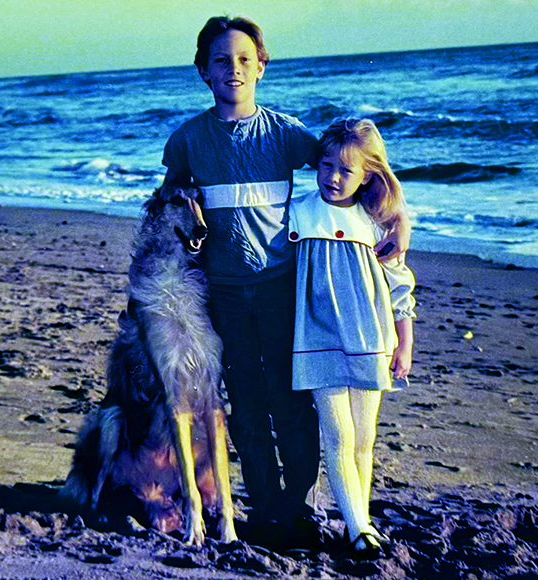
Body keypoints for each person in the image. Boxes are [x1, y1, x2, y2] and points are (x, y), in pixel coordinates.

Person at [162, 16, 411, 543]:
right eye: (221, 61)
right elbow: (168, 210)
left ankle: (298, 505)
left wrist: (398, 221)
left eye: (244, 61)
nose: (234, 70)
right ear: (204, 71)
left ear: (261, 67)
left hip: (282, 290)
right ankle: (268, 509)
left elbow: (350, 168)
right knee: (247, 403)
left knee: (290, 401)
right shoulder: (186, 142)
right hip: (222, 293)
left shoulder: (287, 134)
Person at [287, 118, 416, 557]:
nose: (333, 177)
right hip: (317, 338)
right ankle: (360, 528)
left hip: (371, 339)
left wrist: (405, 344)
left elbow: (399, 287)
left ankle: (358, 522)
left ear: (367, 176)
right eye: (325, 165)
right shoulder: (300, 210)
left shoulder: (377, 222)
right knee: (338, 435)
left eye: (345, 170)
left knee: (365, 437)